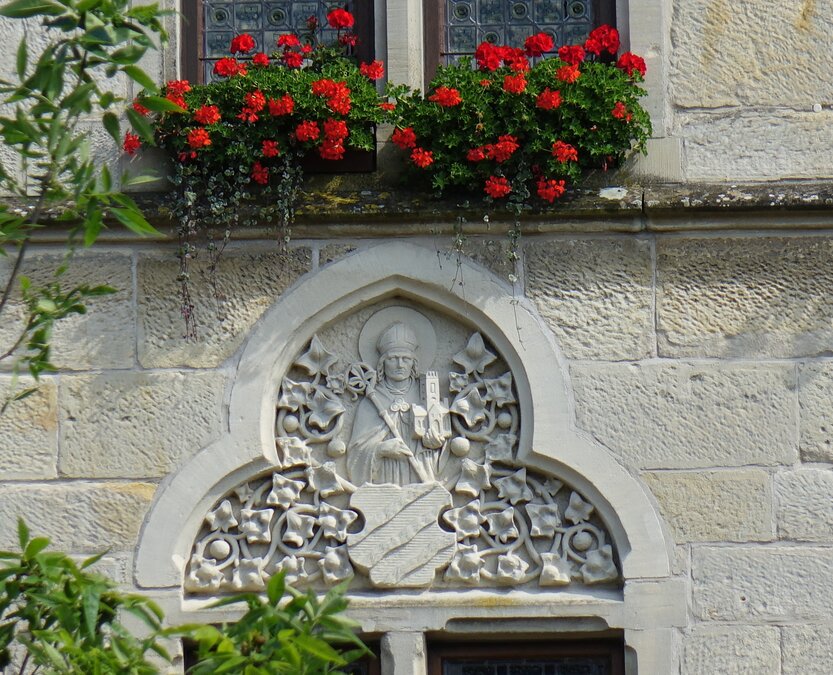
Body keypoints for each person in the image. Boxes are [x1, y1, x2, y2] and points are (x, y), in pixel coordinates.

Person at [347, 321, 440, 485]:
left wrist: (435, 443)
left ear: (414, 363)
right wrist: (380, 449)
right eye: (393, 359)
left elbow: (440, 436)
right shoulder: (371, 402)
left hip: (421, 475)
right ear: (382, 363)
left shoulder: (426, 395)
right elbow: (356, 453)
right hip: (385, 479)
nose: (400, 365)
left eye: (405, 359)